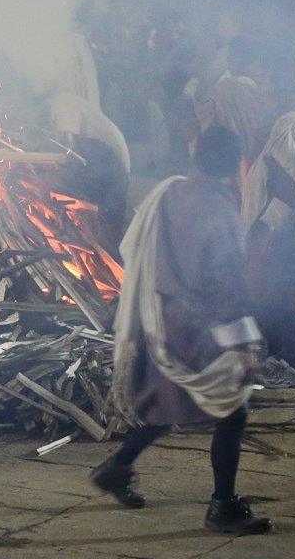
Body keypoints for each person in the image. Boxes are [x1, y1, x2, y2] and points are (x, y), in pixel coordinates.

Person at [92, 126, 272, 535]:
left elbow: (131, 247)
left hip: (163, 319)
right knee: (232, 411)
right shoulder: (219, 209)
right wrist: (242, 336)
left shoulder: (169, 192)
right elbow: (225, 281)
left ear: (195, 154)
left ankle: (117, 468)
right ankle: (222, 504)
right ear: (235, 166)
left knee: (164, 402)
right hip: (203, 325)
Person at [242, 105, 295, 389]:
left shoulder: (288, 136)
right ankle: (280, 360)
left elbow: (292, 195)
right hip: (279, 236)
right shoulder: (288, 136)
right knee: (275, 300)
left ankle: (292, 365)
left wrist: (265, 231)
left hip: (279, 238)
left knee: (282, 302)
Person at [47, 92, 131, 249]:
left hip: (111, 168)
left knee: (107, 231)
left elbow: (68, 149)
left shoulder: (62, 105)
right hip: (102, 167)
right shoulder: (63, 105)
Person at [206, 37, 272, 169]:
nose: (230, 63)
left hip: (226, 165)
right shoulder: (242, 85)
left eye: (232, 58)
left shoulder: (219, 88)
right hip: (255, 164)